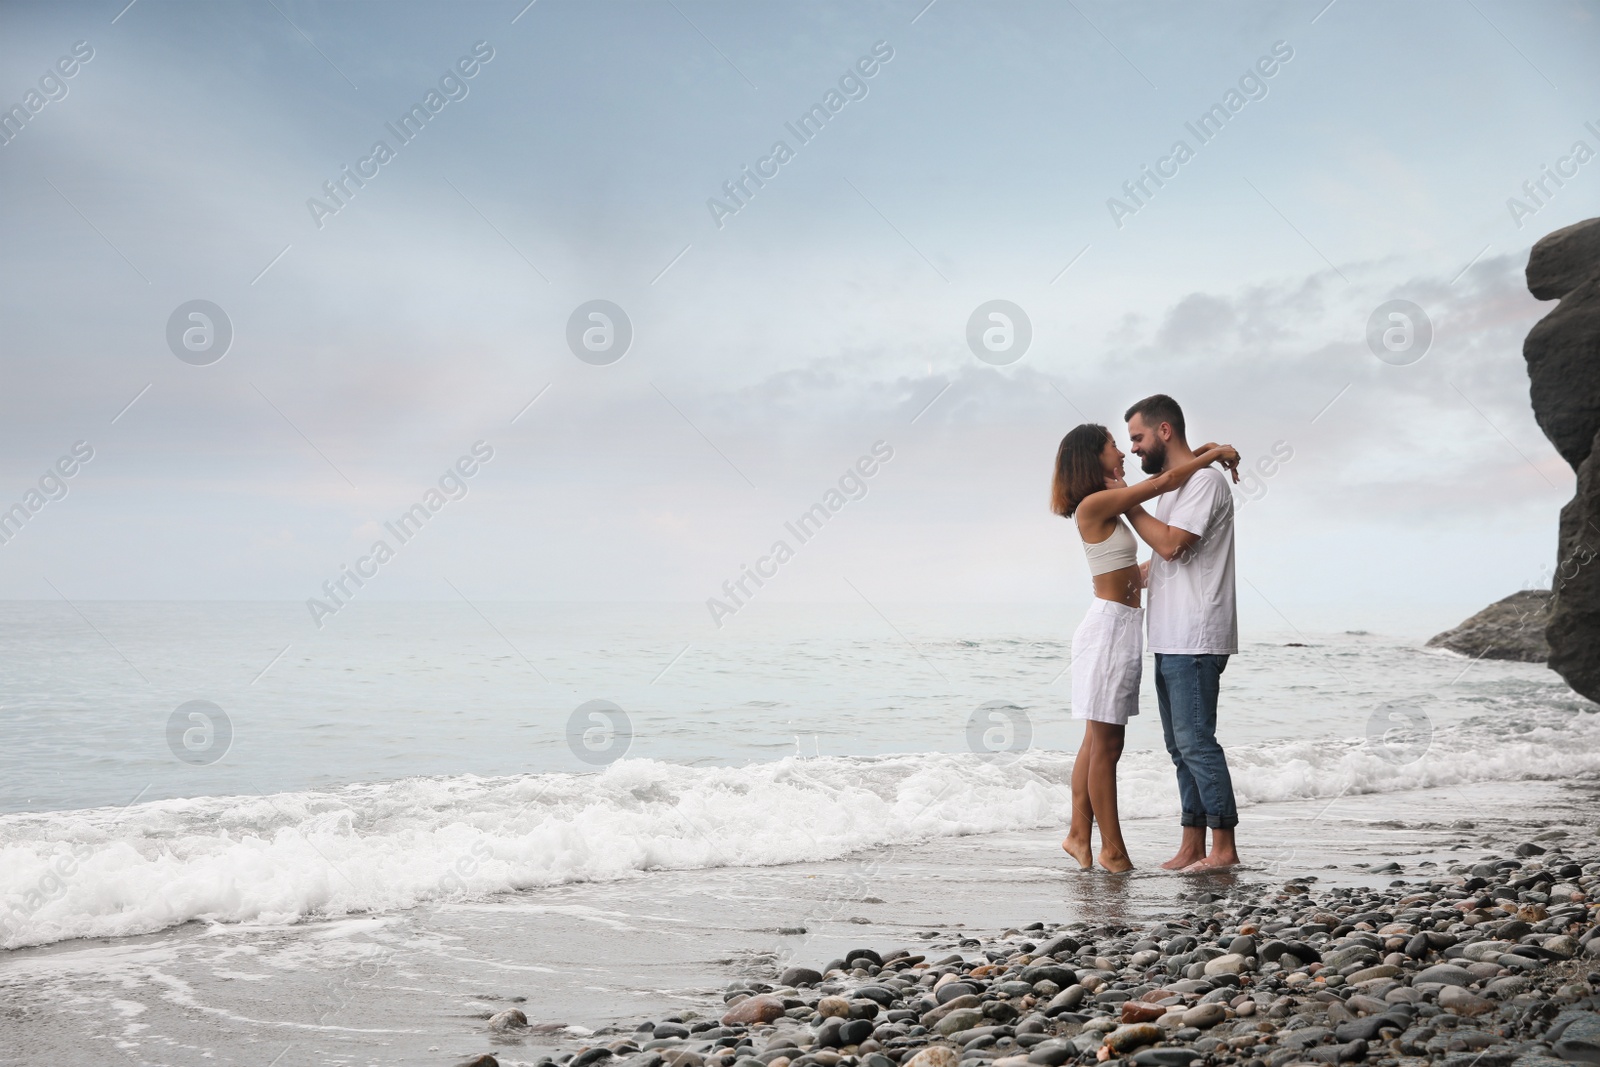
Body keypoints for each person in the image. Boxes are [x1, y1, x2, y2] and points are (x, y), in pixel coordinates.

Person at [1050, 423, 1238, 872]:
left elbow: (1133, 569)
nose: (1123, 453)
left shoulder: (1106, 506)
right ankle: (1111, 850)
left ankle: (1079, 835)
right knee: (1107, 746)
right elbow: (1166, 481)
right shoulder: (1097, 502)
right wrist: (1212, 454)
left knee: (1096, 741)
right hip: (1110, 630)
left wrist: (1203, 452)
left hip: (1120, 626)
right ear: (1092, 458)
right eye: (1115, 445)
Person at [1122, 394, 1243, 871]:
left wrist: (1128, 505)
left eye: (1138, 436)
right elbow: (1163, 561)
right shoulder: (1176, 485)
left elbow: (1173, 546)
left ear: (1164, 431)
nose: (1133, 448)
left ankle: (1225, 849)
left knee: (1197, 741)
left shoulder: (1207, 483)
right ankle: (1192, 845)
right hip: (1169, 636)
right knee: (1179, 747)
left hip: (1196, 635)